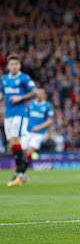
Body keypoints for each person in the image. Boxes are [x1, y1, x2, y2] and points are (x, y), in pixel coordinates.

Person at [0, 54, 37, 187]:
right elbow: (2, 94)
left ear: (19, 66)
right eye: (12, 64)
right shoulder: (4, 79)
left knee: (16, 140)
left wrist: (20, 98)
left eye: (16, 64)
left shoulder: (24, 78)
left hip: (19, 114)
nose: (14, 66)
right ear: (8, 66)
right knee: (12, 144)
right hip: (8, 115)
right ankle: (21, 174)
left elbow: (34, 92)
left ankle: (19, 174)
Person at [20, 88, 55, 182]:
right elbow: (26, 116)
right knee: (23, 150)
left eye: (41, 93)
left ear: (44, 95)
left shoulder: (47, 106)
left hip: (39, 133)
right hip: (27, 131)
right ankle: (22, 174)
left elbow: (50, 120)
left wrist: (39, 127)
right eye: (38, 93)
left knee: (29, 151)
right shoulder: (30, 104)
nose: (39, 95)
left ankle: (21, 174)